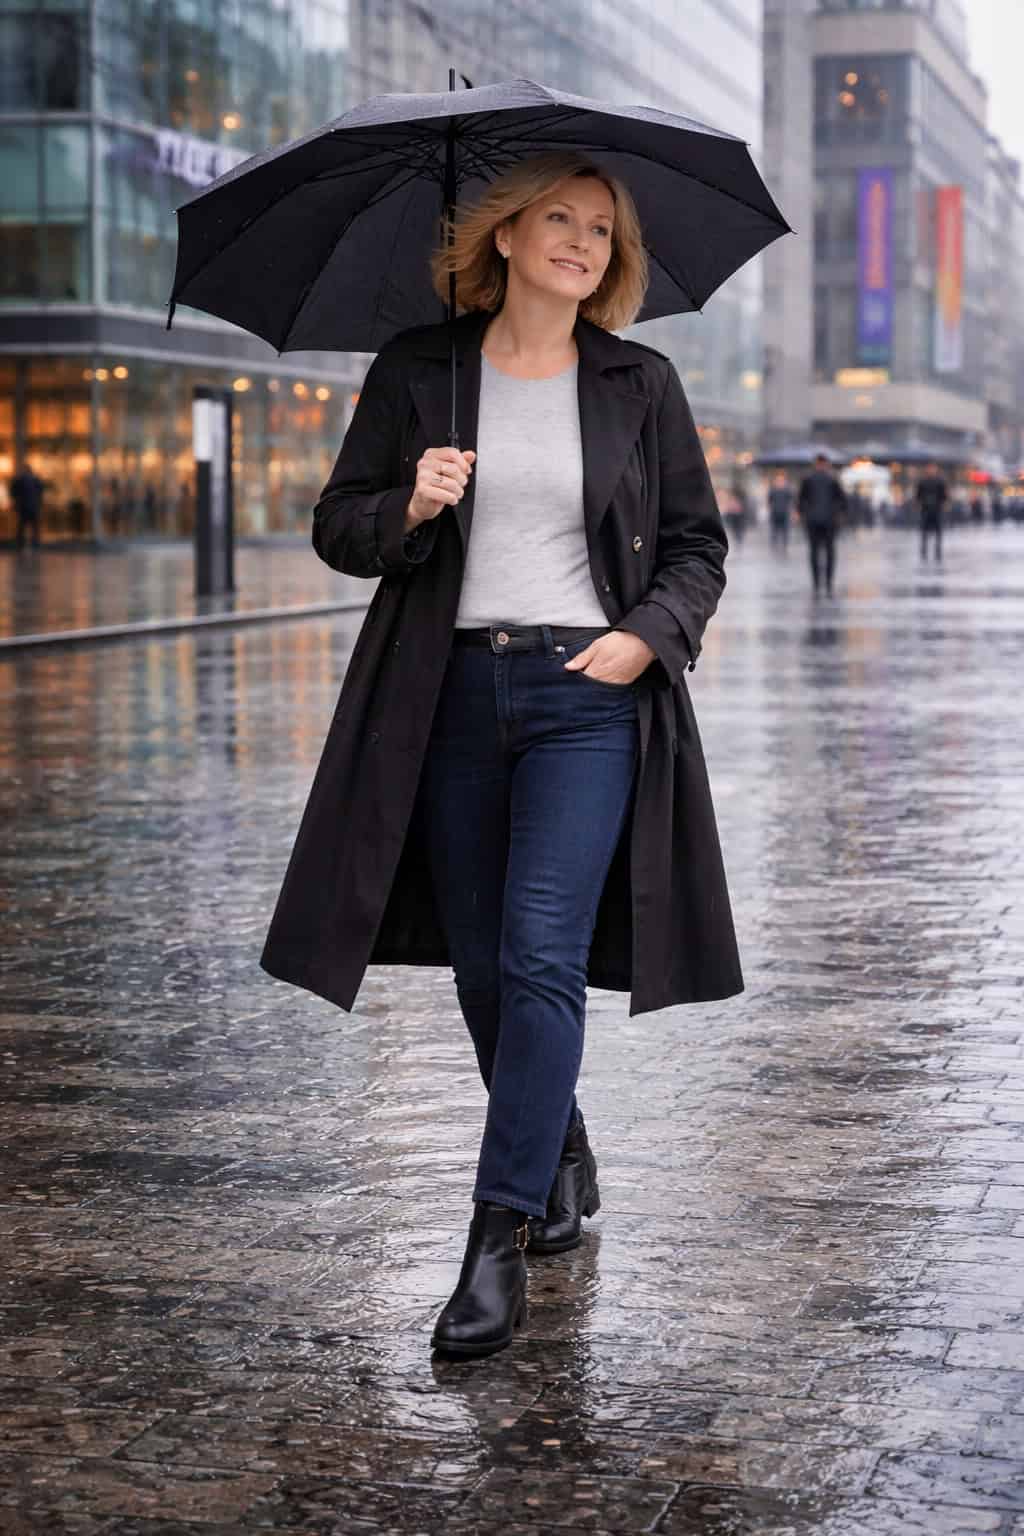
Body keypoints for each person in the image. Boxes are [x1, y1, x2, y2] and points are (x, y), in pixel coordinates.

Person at [261, 150, 742, 1359]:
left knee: (539, 955)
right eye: (559, 221)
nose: (582, 241)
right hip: (449, 696)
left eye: (599, 229)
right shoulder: (420, 371)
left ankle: (494, 1237)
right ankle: (559, 1144)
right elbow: (338, 528)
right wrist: (409, 505)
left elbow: (697, 545)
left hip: (587, 695)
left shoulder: (640, 380)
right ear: (507, 240)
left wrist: (644, 641)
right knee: (483, 968)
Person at [797, 453, 846, 595]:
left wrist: (804, 514)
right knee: (829, 552)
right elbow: (842, 501)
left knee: (814, 552)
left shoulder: (808, 480)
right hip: (829, 521)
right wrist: (838, 514)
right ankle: (828, 582)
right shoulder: (832, 480)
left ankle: (817, 583)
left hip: (813, 521)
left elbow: (801, 501)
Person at [916, 462, 948, 563]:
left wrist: (944, 505)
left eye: (933, 468)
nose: (931, 470)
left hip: (936, 510)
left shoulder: (940, 481)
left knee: (938, 531)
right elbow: (918, 496)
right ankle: (923, 550)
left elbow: (944, 496)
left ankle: (938, 550)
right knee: (924, 531)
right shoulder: (922, 481)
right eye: (929, 468)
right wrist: (919, 505)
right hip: (926, 510)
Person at [10, 461, 44, 549]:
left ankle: (30, 543)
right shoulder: (22, 480)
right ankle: (24, 543)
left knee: (30, 526)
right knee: (26, 526)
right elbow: (14, 492)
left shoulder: (34, 480)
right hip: (27, 507)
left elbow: (40, 493)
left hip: (30, 507)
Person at [767, 471, 793, 550]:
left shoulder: (788, 489)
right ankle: (774, 544)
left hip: (785, 512)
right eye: (778, 479)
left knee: (785, 530)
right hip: (775, 512)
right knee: (774, 529)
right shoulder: (773, 489)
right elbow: (769, 500)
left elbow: (791, 500)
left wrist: (792, 511)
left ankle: (784, 545)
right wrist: (770, 508)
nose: (780, 481)